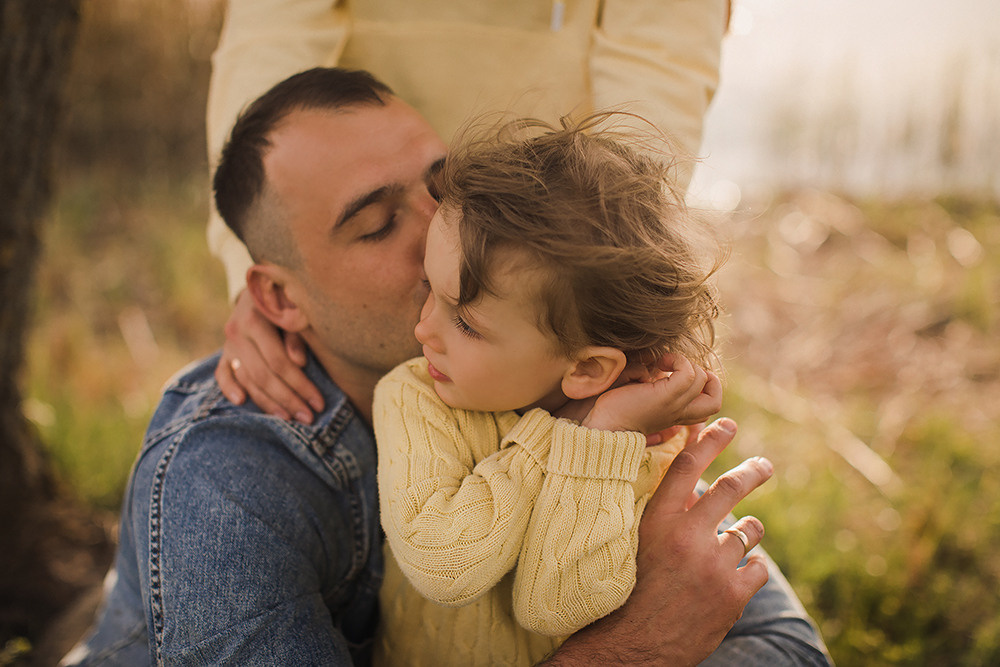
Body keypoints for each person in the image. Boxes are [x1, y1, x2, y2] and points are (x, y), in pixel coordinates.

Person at [62, 68, 831, 665]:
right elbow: (669, 632)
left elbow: (785, 646)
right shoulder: (225, 478)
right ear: (276, 298)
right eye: (376, 223)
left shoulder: (551, 367)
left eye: (443, 183)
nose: (450, 230)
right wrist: (638, 647)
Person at [206, 0, 733, 425]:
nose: (437, 228)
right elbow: (267, 43)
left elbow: (661, 64)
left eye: (439, 190)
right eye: (379, 224)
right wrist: (267, 257)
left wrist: (606, 273)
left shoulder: (592, 367)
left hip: (564, 247)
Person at [372, 113, 740, 665]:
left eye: (466, 322)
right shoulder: (417, 395)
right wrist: (566, 430)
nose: (424, 329)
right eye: (431, 289)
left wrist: (600, 438)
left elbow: (559, 608)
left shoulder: (637, 442)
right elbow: (444, 562)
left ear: (588, 370)